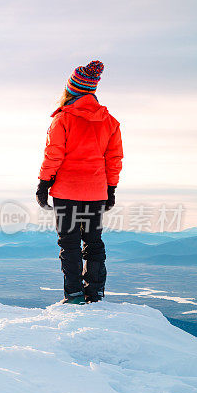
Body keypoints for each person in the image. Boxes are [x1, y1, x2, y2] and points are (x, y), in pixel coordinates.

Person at [35, 60, 123, 304]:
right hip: (96, 192)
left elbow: (53, 154)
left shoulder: (62, 119)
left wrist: (43, 184)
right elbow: (114, 159)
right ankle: (95, 293)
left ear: (72, 89)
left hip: (67, 191)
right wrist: (111, 188)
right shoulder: (110, 122)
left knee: (70, 244)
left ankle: (74, 294)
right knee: (94, 241)